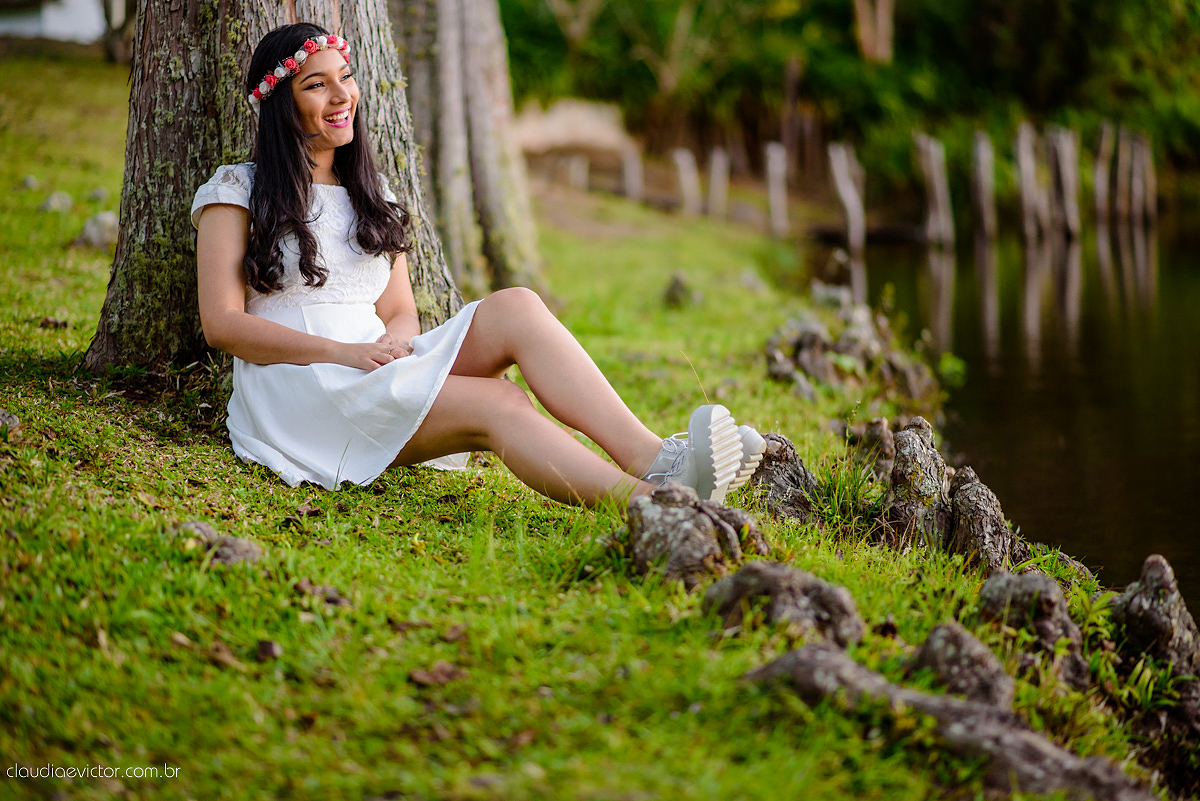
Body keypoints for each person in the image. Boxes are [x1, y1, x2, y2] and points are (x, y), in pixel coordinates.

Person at [192, 22, 765, 509]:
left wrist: (392, 345)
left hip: (372, 367)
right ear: (279, 104)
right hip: (303, 393)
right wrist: (344, 353)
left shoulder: (371, 195)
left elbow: (398, 310)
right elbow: (222, 324)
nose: (341, 96)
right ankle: (657, 504)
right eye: (316, 85)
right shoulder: (237, 190)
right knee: (502, 402)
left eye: (345, 78)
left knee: (516, 304)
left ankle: (660, 460)